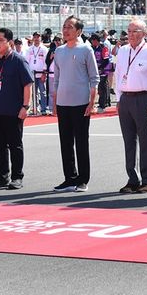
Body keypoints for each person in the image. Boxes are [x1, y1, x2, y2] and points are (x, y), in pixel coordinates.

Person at [114, 19, 147, 193]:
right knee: (128, 141)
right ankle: (132, 179)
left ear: (144, 33)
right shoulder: (122, 51)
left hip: (144, 98)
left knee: (145, 140)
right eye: (128, 31)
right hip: (126, 99)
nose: (130, 35)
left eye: (135, 31)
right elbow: (119, 74)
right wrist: (119, 99)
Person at [0, 27, 33, 190]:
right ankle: (2, 175)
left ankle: (17, 176)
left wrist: (25, 106)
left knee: (15, 144)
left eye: (0, 40)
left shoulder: (18, 61)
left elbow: (27, 84)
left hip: (13, 111)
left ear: (9, 42)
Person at [52, 16, 99, 192]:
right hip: (63, 102)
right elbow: (56, 79)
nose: (65, 30)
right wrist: (54, 101)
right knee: (65, 142)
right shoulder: (59, 51)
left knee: (81, 142)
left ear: (78, 31)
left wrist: (92, 102)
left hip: (81, 103)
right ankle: (69, 178)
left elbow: (94, 78)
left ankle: (83, 179)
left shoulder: (86, 50)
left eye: (70, 27)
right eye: (64, 27)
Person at [26, 32, 48, 115]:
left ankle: (44, 109)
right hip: (32, 74)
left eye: (38, 37)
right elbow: (27, 62)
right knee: (33, 93)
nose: (36, 39)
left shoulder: (44, 49)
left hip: (41, 73)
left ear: (40, 38)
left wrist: (44, 73)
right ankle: (35, 108)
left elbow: (46, 62)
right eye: (34, 37)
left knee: (42, 92)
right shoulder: (29, 49)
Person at [90, 33, 111, 113]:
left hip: (103, 71)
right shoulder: (92, 48)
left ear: (95, 40)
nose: (92, 42)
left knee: (102, 88)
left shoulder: (103, 48)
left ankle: (102, 105)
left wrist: (100, 68)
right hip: (94, 71)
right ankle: (94, 104)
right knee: (95, 88)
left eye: (92, 40)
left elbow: (106, 60)